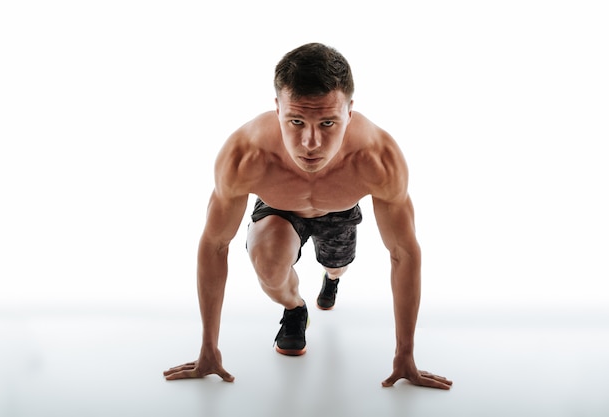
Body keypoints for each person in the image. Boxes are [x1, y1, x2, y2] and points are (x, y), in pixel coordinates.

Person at [163, 43, 452, 389]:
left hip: (340, 211)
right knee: (269, 266)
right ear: (277, 110)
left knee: (337, 264)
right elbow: (215, 244)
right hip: (279, 208)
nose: (310, 142)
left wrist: (405, 354)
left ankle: (332, 279)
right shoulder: (246, 155)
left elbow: (403, 253)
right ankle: (296, 308)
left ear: (349, 112)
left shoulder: (377, 159)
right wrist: (208, 347)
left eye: (327, 122)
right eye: (296, 121)